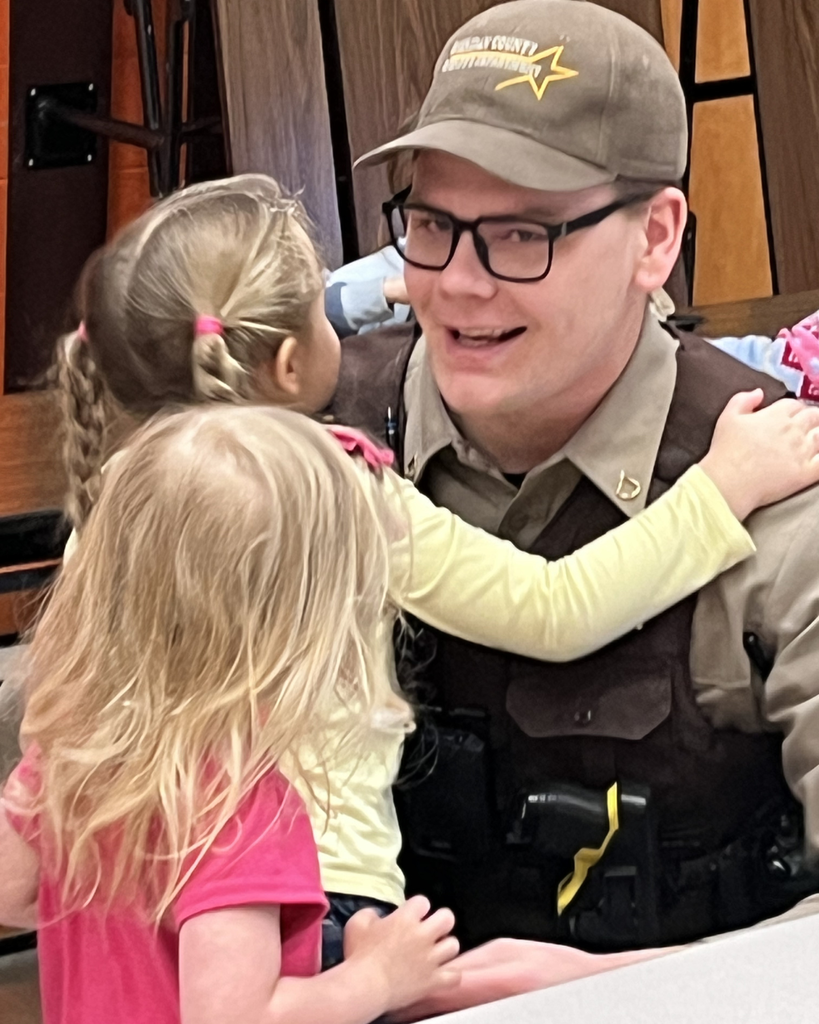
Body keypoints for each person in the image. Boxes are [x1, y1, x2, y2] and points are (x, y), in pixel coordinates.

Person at [35, 171, 819, 985]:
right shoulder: (337, 491)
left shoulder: (109, 499)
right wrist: (718, 491)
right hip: (317, 898)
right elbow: (555, 607)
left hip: (130, 883)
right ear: (291, 362)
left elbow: (60, 711)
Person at [329, 0, 819, 952]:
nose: (457, 282)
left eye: (521, 233)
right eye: (430, 223)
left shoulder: (781, 495)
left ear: (654, 239)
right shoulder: (303, 456)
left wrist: (633, 994)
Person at [0, 405, 461, 1024]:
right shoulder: (240, 811)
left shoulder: (73, 755)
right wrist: (375, 978)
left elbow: (11, 890)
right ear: (298, 638)